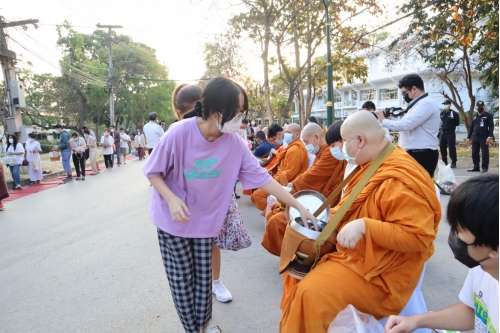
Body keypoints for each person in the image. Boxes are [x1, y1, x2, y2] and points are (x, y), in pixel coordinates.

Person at [142, 77, 316, 333]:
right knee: (182, 282)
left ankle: (203, 325)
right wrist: (171, 197)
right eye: (237, 112)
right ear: (215, 111)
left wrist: (298, 205)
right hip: (173, 221)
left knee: (203, 281)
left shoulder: (233, 143)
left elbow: (262, 178)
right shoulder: (178, 133)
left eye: (243, 111)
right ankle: (195, 330)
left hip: (205, 222)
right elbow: (152, 171)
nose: (242, 119)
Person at [280, 111, 441, 332]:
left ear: (360, 140)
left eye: (345, 141)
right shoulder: (373, 162)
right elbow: (350, 205)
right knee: (296, 268)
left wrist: (366, 226)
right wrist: (325, 220)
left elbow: (419, 237)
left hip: (381, 271)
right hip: (356, 253)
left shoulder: (398, 176)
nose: (343, 147)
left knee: (311, 293)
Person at [385, 174, 498, 333]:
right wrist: (415, 321)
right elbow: (472, 312)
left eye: (459, 231)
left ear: (495, 249)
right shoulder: (483, 267)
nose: (455, 237)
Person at [262, 122, 347, 257]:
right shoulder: (323, 152)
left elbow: (312, 175)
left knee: (277, 220)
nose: (306, 144)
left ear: (316, 137)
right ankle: (293, 255)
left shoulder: (330, 154)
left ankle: (295, 256)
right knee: (275, 209)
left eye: (306, 141)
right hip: (315, 197)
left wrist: (291, 185)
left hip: (325, 204)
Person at [375, 74, 440, 179]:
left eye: (405, 93)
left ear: (414, 89)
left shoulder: (426, 104)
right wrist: (390, 119)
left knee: (419, 189)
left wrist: (383, 121)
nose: (404, 96)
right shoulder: (417, 104)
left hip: (422, 154)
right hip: (415, 153)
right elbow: (405, 123)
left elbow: (406, 125)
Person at [250, 123, 309, 212]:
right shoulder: (290, 147)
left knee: (258, 195)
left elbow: (290, 174)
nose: (286, 134)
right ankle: (274, 211)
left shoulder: (296, 149)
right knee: (255, 195)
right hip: (281, 178)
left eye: (289, 132)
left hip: (288, 182)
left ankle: (277, 211)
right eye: (286, 132)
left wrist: (274, 180)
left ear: (297, 135)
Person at [466, 101, 494, 173]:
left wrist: (490, 137)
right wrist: (468, 137)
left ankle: (485, 167)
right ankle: (476, 166)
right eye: (478, 106)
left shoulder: (488, 116)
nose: (480, 108)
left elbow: (491, 127)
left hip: (484, 136)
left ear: (484, 107)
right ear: (476, 107)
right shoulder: (475, 116)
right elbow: (471, 128)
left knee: (484, 152)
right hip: (475, 136)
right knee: (474, 152)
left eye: (481, 106)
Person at [439, 100, 460, 168]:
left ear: (450, 105)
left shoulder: (454, 113)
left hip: (450, 133)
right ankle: (444, 161)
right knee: (442, 147)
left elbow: (457, 123)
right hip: (443, 133)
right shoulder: (442, 113)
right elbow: (441, 122)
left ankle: (453, 162)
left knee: (451, 147)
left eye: (446, 104)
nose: (445, 105)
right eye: (444, 104)